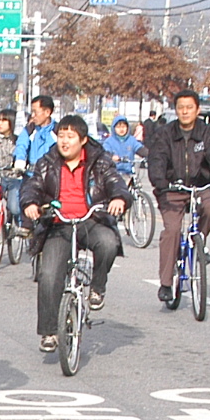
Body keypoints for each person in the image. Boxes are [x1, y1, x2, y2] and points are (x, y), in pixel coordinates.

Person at [22, 114, 130, 351]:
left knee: (108, 243)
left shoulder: (99, 160)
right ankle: (49, 332)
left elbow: (115, 182)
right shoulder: (47, 161)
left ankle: (98, 287)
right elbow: (32, 185)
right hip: (58, 224)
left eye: (70, 136)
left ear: (82, 140)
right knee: (49, 275)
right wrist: (30, 203)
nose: (65, 141)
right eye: (61, 136)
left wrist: (119, 198)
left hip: (90, 220)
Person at [145, 88, 210, 309]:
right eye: (181, 108)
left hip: (199, 186)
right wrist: (160, 181)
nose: (185, 112)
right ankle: (166, 284)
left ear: (197, 110)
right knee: (172, 231)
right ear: (176, 110)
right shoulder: (164, 133)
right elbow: (157, 160)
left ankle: (199, 243)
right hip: (172, 189)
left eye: (189, 108)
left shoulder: (207, 133)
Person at [13, 95, 57, 176]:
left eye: (35, 112)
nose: (32, 115)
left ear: (47, 112)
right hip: (31, 176)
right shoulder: (30, 129)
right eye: (32, 112)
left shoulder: (57, 131)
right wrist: (20, 160)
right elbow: (21, 144)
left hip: (51, 177)